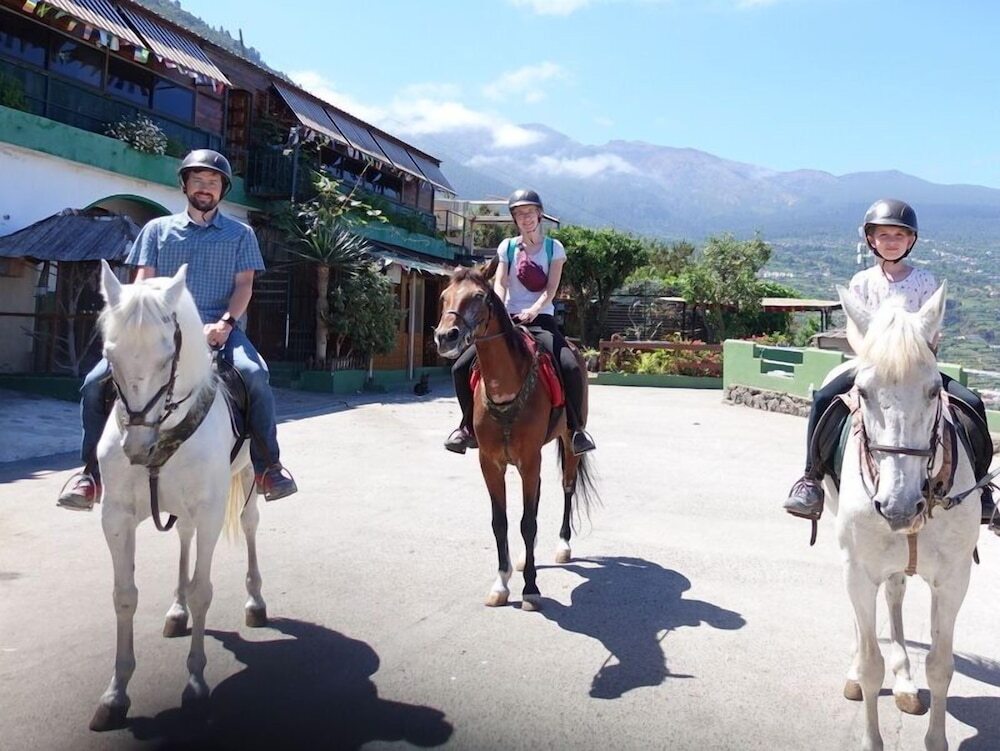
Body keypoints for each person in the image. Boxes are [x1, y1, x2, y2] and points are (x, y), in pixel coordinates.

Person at [57, 149, 297, 510]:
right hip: (160, 329)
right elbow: (142, 284)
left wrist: (226, 324)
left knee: (255, 375)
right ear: (184, 185)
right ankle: (89, 475)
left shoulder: (241, 234)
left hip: (219, 326)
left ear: (223, 190)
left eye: (213, 182)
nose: (205, 187)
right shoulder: (157, 230)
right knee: (94, 382)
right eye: (197, 180)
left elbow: (244, 286)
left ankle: (268, 468)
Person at [783, 198, 993, 524]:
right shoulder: (862, 281)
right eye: (884, 235)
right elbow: (854, 329)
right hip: (872, 363)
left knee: (972, 403)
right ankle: (811, 479)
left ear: (911, 241)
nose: (891, 242)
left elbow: (932, 330)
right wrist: (872, 355)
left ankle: (982, 490)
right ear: (871, 240)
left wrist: (916, 354)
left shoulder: (924, 280)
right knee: (824, 399)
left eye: (899, 235)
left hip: (916, 366)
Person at [445, 189, 596, 456]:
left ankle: (576, 429)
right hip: (508, 319)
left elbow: (551, 289)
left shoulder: (554, 248)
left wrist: (534, 310)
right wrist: (501, 308)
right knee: (460, 366)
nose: (525, 218)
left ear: (539, 215)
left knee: (570, 365)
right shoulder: (508, 247)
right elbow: (501, 282)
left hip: (542, 319)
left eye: (529, 212)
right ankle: (466, 427)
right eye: (519, 214)